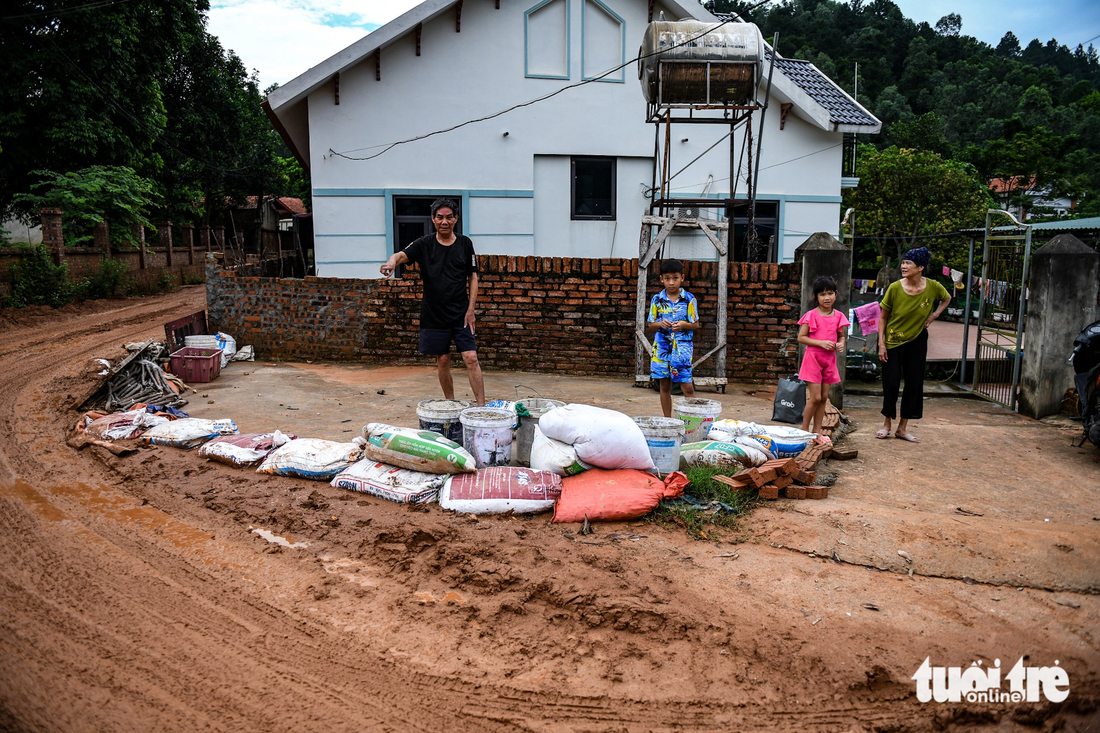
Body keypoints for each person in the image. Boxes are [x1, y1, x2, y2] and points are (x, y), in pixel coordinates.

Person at [380, 198, 485, 405]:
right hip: (434, 315)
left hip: (461, 314)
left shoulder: (465, 244)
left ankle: (482, 406)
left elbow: (473, 277)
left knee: (471, 358)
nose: (444, 222)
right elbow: (400, 255)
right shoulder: (424, 244)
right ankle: (450, 405)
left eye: (449, 217)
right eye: (440, 217)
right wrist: (391, 263)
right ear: (433, 219)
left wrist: (471, 309)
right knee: (443, 359)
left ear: (455, 219)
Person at [876, 247, 951, 443]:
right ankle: (887, 425)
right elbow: (882, 318)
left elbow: (947, 298)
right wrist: (881, 344)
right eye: (903, 262)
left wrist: (935, 315)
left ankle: (902, 428)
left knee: (914, 383)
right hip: (893, 341)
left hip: (917, 340)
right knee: (890, 383)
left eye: (908, 263)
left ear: (920, 267)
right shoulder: (895, 288)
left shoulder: (933, 286)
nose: (903, 266)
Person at [797, 275, 849, 441]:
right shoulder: (811, 315)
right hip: (813, 358)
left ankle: (817, 433)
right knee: (816, 397)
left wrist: (840, 344)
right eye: (822, 294)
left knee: (825, 398)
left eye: (830, 293)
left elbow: (841, 336)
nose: (827, 297)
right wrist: (820, 343)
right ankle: (804, 432)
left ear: (836, 294)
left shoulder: (839, 316)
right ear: (815, 296)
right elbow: (801, 337)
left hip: (829, 360)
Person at [646, 259, 700, 418]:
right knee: (664, 385)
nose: (671, 282)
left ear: (682, 278)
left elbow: (695, 324)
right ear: (661, 279)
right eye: (667, 278)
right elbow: (651, 324)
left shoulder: (689, 299)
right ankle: (668, 420)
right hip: (662, 347)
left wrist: (683, 324)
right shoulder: (657, 299)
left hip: (682, 349)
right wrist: (660, 324)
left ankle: (694, 421)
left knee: (687, 387)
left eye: (675, 278)